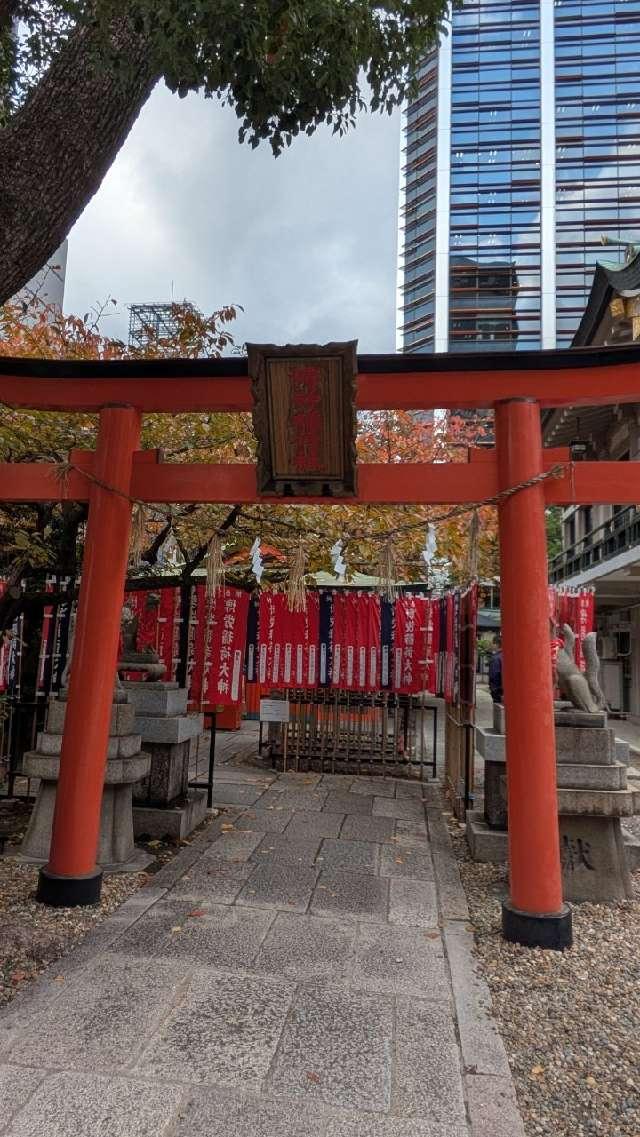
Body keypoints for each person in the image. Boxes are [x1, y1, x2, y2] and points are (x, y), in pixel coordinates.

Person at [488, 635, 503, 704]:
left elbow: (494, 675)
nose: (491, 645)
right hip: (505, 690)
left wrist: (493, 689)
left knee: (498, 711)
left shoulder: (495, 658)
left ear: (496, 644)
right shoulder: (506, 655)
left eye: (492, 643)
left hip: (497, 691)